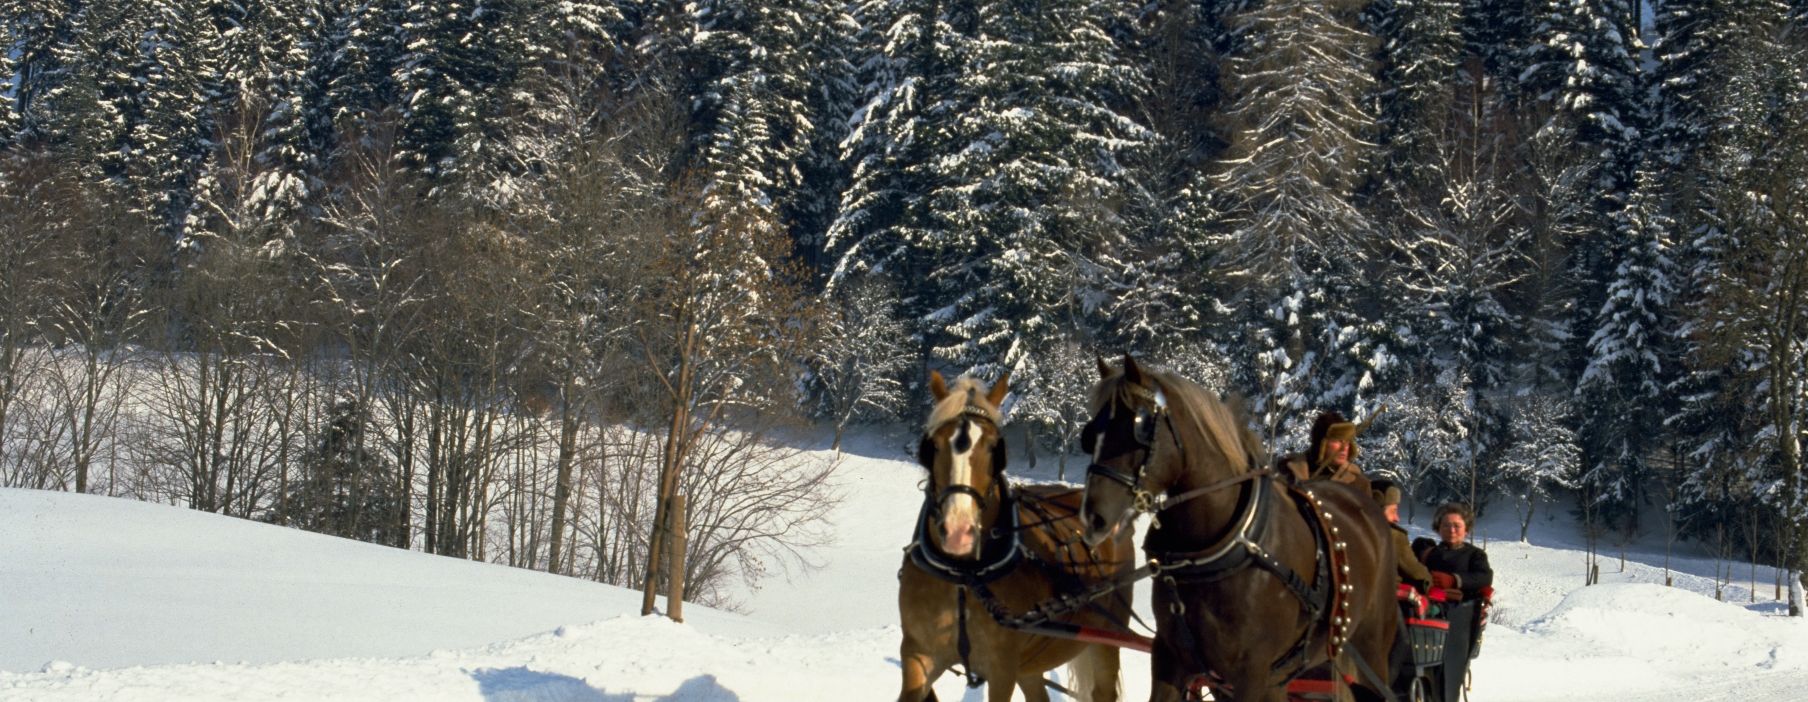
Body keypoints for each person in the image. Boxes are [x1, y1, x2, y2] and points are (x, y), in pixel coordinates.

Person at [1421, 502, 1492, 702]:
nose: (1451, 530)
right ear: (1438, 528)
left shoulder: (1475, 555)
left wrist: (1454, 580)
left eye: (1456, 526)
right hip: (1430, 615)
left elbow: (1484, 578)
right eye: (1446, 525)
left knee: (1449, 672)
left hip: (1460, 617)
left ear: (1466, 529)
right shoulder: (1430, 553)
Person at [1279, 411, 1371, 494]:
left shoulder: (1358, 484)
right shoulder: (1286, 471)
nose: (1344, 448)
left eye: (1347, 441)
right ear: (1321, 444)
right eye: (1337, 440)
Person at [1372, 480, 1431, 593]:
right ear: (1378, 510)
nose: (1397, 518)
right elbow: (1416, 573)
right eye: (1393, 511)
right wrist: (1430, 582)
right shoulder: (1393, 536)